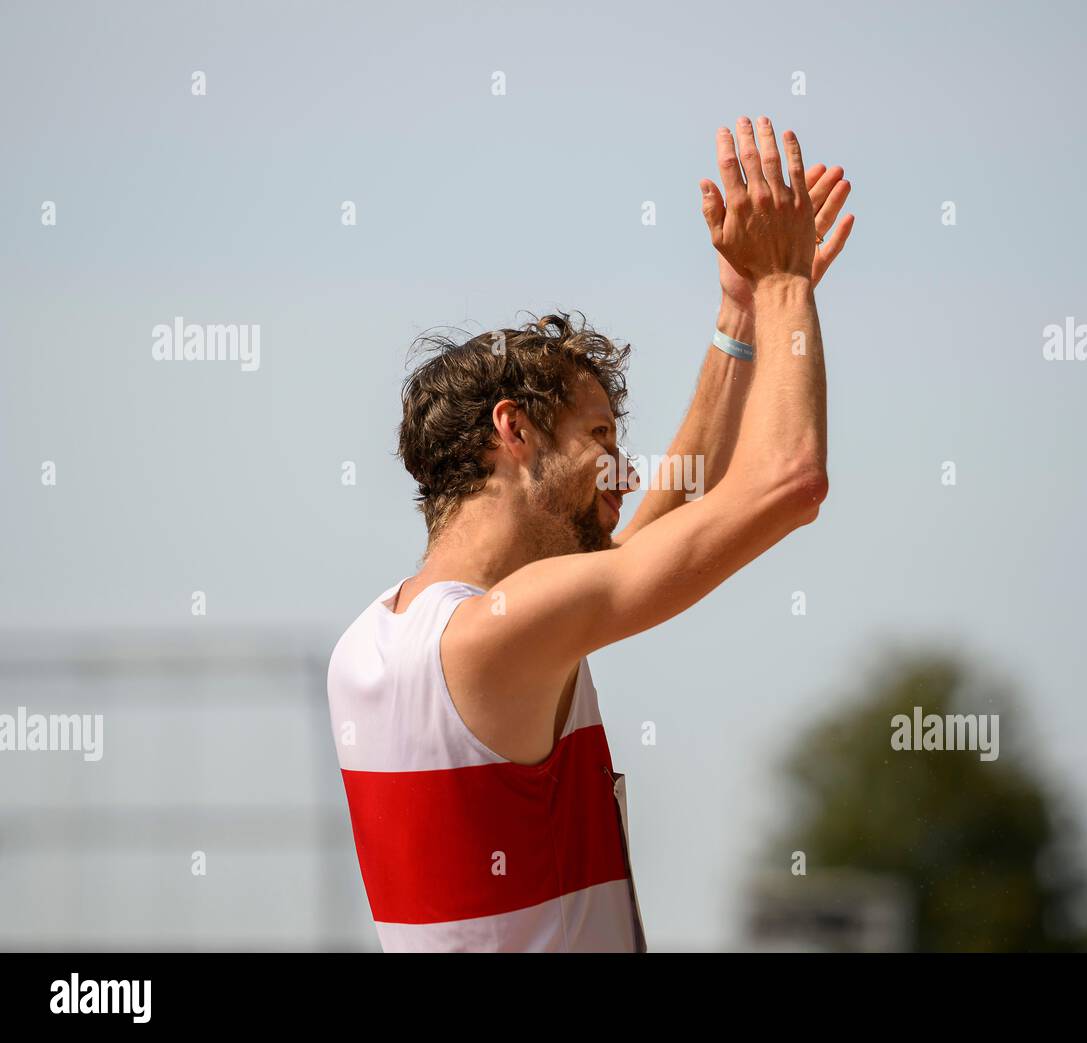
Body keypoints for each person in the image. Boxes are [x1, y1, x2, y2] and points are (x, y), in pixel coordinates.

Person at [327, 116, 854, 952]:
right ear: (517, 431)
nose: (626, 472)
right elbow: (789, 480)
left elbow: (654, 536)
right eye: (601, 438)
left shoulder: (373, 643)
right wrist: (787, 283)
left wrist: (739, 320)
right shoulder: (495, 639)